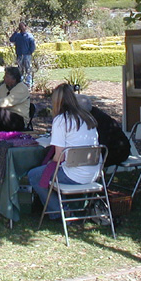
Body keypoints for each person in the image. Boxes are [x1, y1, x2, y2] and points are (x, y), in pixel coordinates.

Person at [28, 84, 100, 220]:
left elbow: (58, 157)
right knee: (46, 170)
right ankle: (62, 209)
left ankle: (59, 211)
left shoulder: (62, 120)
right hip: (94, 172)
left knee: (34, 175)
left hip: (74, 174)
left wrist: (49, 163)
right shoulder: (87, 117)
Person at [9, 22, 36, 86]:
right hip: (19, 55)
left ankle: (29, 83)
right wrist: (15, 32)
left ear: (25, 26)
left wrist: (29, 52)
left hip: (27, 55)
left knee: (28, 69)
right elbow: (11, 39)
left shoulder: (29, 35)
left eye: (22, 26)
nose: (21, 28)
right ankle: (20, 83)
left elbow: (33, 46)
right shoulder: (17, 35)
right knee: (20, 70)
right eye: (20, 26)